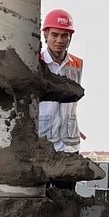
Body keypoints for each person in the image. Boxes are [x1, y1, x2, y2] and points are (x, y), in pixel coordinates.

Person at [38, 8, 84, 152]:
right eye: (55, 35)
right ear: (45, 35)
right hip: (44, 142)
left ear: (70, 37)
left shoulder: (77, 64)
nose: (60, 40)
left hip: (70, 143)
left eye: (64, 35)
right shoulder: (36, 62)